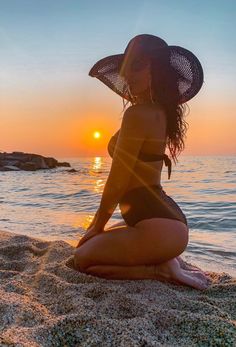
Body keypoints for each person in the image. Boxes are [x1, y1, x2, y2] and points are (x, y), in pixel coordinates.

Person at [73, 34, 210, 290]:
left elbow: (118, 177)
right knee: (93, 249)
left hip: (157, 225)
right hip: (166, 221)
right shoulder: (158, 113)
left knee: (82, 259)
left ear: (157, 70)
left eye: (138, 65)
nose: (129, 74)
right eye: (127, 67)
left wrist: (97, 224)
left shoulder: (138, 114)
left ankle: (160, 269)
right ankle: (166, 259)